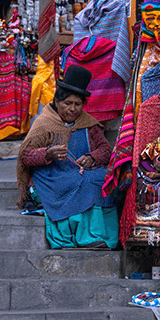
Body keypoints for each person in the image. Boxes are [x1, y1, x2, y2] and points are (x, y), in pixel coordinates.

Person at [17, 65, 118, 249]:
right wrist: (47, 153)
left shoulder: (88, 123)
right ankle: (85, 237)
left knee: (99, 178)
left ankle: (99, 236)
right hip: (52, 175)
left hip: (80, 172)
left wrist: (92, 158)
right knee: (80, 181)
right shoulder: (44, 123)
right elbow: (25, 155)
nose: (72, 109)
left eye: (77, 104)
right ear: (57, 101)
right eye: (68, 103)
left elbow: (105, 149)